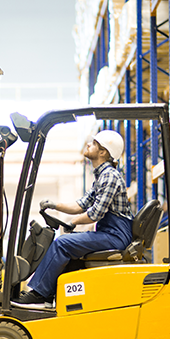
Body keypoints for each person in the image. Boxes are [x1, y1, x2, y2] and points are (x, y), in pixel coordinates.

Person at [12, 130, 134, 309]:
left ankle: (40, 294)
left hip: (115, 236)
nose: (88, 145)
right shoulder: (102, 176)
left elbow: (95, 214)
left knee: (62, 243)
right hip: (109, 233)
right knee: (67, 244)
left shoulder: (110, 177)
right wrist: (55, 205)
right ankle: (50, 294)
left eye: (93, 144)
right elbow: (81, 205)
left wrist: (73, 222)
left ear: (103, 152)